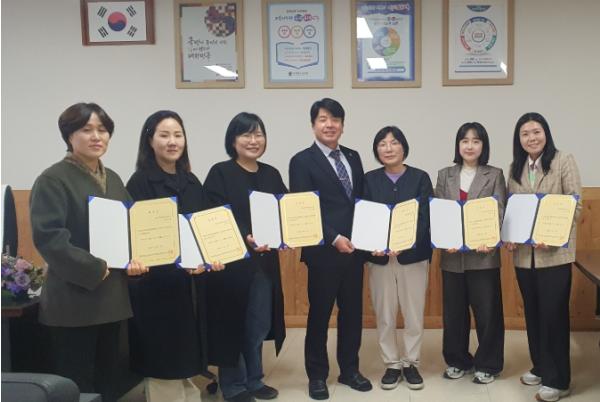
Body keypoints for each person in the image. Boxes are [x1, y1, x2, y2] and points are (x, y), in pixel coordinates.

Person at [29, 103, 147, 402]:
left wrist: (137, 258)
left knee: (110, 383)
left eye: (103, 130)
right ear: (69, 136)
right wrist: (95, 267)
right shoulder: (53, 179)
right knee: (76, 385)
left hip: (113, 300)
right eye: (87, 129)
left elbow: (132, 227)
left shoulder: (114, 179)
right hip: (73, 303)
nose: (97, 136)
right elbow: (50, 237)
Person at [126, 110, 223, 401]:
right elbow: (136, 238)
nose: (172, 142)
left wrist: (209, 258)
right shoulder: (139, 182)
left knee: (186, 358)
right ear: (150, 140)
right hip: (156, 288)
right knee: (164, 361)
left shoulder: (191, 181)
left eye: (178, 135)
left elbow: (204, 228)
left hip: (191, 286)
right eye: (164, 135)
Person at [289, 98, 371, 400]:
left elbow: (360, 202)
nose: (329, 124)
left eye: (335, 119)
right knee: (320, 315)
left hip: (355, 251)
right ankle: (317, 376)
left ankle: (349, 370)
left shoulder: (353, 156)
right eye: (323, 119)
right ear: (313, 125)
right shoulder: (301, 161)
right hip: (324, 252)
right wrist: (334, 237)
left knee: (352, 314)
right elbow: (304, 207)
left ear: (342, 125)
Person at [203, 112, 286, 402]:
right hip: (230, 266)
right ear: (233, 140)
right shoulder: (220, 173)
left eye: (258, 134)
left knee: (258, 325)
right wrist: (245, 237)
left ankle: (254, 379)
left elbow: (285, 212)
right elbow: (213, 215)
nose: (253, 140)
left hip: (263, 266)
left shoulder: (271, 174)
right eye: (246, 134)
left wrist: (288, 235)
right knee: (233, 325)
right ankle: (233, 384)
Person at [505, 112, 581, 402]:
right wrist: (509, 235)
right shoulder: (516, 167)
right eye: (525, 134)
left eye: (536, 131)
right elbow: (512, 209)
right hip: (525, 257)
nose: (532, 138)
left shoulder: (563, 160)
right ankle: (540, 366)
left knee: (554, 316)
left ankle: (559, 380)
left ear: (546, 133)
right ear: (519, 139)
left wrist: (553, 232)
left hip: (555, 255)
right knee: (534, 314)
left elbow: (574, 204)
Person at [435, 122, 506, 385]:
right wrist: (444, 238)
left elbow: (499, 211)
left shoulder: (494, 174)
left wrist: (490, 239)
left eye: (476, 141)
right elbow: (439, 212)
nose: (470, 146)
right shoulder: (445, 175)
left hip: (483, 256)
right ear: (458, 145)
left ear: (483, 146)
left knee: (488, 313)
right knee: (454, 314)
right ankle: (457, 361)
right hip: (452, 257)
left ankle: (488, 364)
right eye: (464, 140)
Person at [363, 126, 433, 390]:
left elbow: (425, 217)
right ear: (376, 150)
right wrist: (373, 244)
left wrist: (404, 244)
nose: (388, 148)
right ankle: (392, 364)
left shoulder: (420, 178)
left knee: (413, 313)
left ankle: (411, 362)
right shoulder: (369, 180)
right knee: (384, 313)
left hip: (412, 257)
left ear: (404, 147)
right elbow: (364, 216)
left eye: (394, 142)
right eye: (382, 144)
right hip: (379, 258)